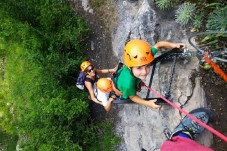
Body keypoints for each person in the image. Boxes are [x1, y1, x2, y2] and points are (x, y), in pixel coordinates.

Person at [113, 39, 185, 109]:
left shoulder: (144, 57)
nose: (144, 72)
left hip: (123, 75)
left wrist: (173, 45)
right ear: (129, 67)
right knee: (124, 93)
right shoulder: (128, 84)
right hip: (120, 87)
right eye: (139, 68)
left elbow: (158, 45)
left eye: (147, 66)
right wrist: (147, 103)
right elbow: (132, 97)